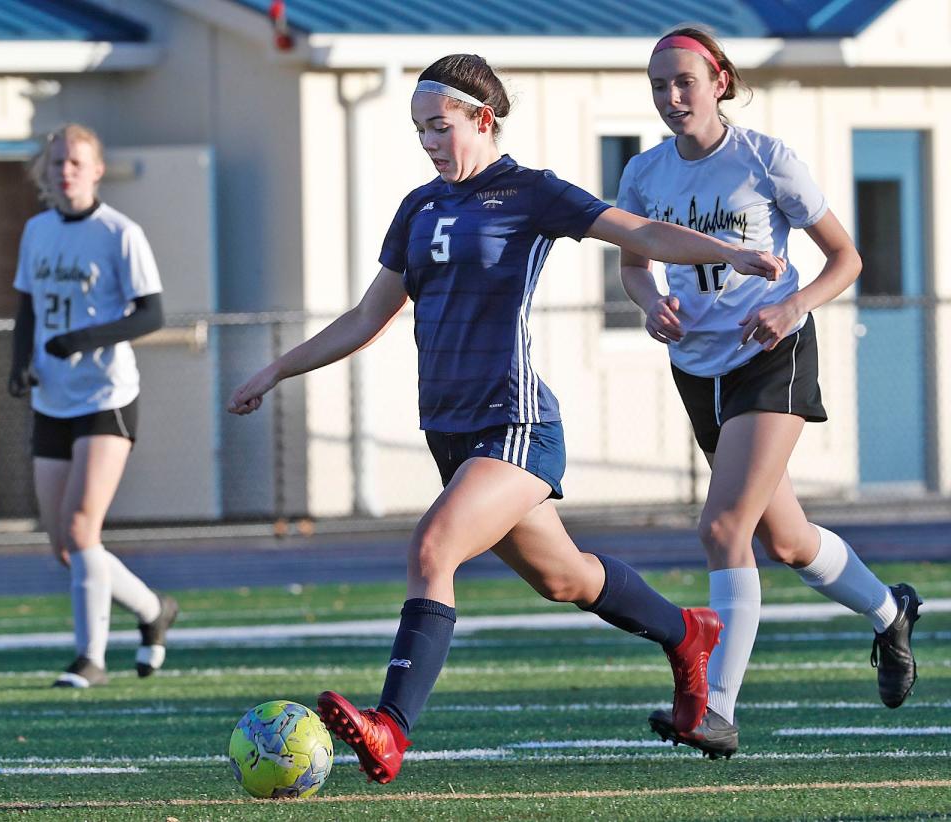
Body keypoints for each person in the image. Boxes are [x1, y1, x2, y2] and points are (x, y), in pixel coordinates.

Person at [228, 53, 786, 784]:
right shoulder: (419, 207)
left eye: (439, 127)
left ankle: (391, 729)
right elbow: (369, 316)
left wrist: (731, 253)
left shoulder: (531, 193)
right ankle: (688, 632)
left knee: (434, 548)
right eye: (419, 130)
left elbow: (642, 235)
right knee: (567, 579)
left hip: (515, 422)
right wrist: (276, 369)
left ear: (482, 119)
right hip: (451, 430)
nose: (428, 142)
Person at [616, 27, 922, 759]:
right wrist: (645, 300)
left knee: (722, 527)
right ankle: (890, 612)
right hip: (698, 369)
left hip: (770, 355)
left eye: (685, 81)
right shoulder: (644, 174)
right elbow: (633, 266)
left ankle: (715, 708)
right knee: (784, 539)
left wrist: (792, 306)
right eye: (659, 84)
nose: (671, 97)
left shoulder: (766, 160)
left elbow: (848, 258)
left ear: (720, 81)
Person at [9, 124, 179, 688]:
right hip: (51, 397)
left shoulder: (119, 233)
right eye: (57, 162)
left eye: (76, 163)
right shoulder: (36, 230)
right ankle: (154, 610)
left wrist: (85, 339)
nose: (65, 171)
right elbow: (28, 304)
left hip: (106, 395)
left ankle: (91, 660)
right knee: (65, 545)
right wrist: (20, 362)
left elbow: (151, 314)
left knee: (83, 529)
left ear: (97, 169)